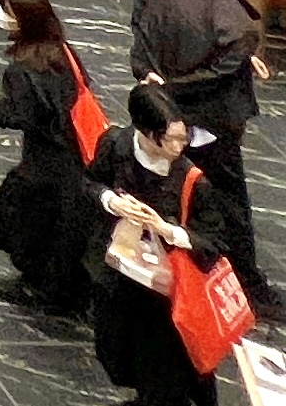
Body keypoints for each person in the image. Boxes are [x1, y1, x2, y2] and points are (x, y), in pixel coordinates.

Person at [132, 0, 274, 307]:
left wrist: (151, 78)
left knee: (151, 181)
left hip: (158, 108)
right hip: (209, 122)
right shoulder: (240, 24)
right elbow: (215, 73)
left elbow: (142, 29)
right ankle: (248, 284)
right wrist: (174, 85)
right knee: (230, 200)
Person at [86, 81, 241, 406]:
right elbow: (89, 183)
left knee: (165, 372)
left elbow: (214, 241)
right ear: (145, 132)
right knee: (118, 350)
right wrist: (111, 201)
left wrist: (166, 229)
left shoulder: (191, 179)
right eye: (169, 138)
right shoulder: (116, 145)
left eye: (182, 136)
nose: (178, 145)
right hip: (122, 279)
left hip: (168, 299)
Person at [0, 0, 98, 312]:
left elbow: (16, 116)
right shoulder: (63, 51)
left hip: (44, 158)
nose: (2, 15)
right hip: (76, 148)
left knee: (31, 219)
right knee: (63, 221)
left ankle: (40, 286)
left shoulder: (21, 69)